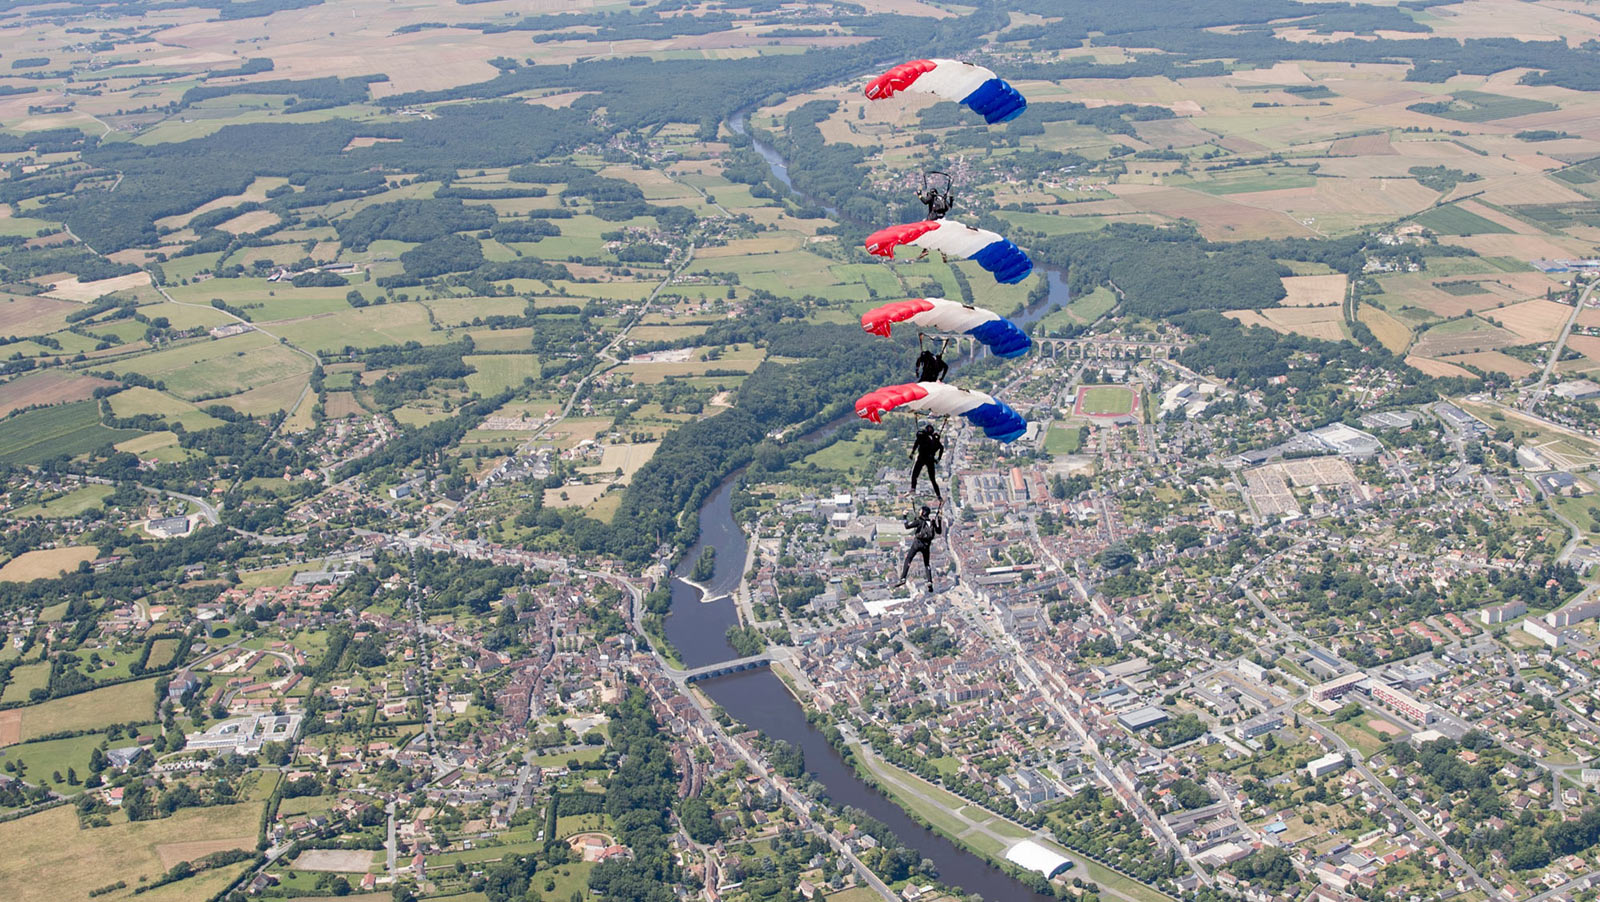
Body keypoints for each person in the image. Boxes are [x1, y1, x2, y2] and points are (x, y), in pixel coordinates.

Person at [894, 505, 943, 591]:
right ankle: (929, 581)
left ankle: (903, 578)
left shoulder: (919, 521)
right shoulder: (932, 521)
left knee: (908, 559)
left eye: (920, 511)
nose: (919, 512)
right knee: (927, 564)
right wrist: (939, 519)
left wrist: (904, 516)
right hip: (926, 545)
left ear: (923, 512)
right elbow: (939, 531)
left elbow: (907, 526)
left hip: (917, 543)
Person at [909, 422, 944, 501]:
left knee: (915, 475)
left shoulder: (924, 437)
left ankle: (913, 488)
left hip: (923, 458)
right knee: (932, 479)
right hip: (929, 459)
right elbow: (941, 448)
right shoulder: (933, 438)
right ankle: (938, 495)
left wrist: (912, 453)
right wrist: (938, 459)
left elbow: (916, 443)